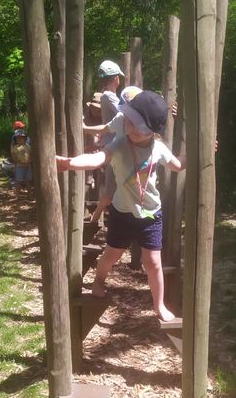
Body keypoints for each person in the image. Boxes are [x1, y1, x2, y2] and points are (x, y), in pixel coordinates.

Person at [57, 90, 185, 322]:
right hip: (122, 214)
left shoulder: (158, 148)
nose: (132, 128)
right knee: (111, 255)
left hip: (151, 215)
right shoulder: (119, 143)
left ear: (154, 131)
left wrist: (202, 153)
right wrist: (70, 163)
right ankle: (98, 281)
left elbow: (177, 165)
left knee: (153, 262)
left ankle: (159, 305)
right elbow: (97, 158)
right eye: (129, 121)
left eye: (139, 126)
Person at [83, 86, 143, 223]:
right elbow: (105, 128)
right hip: (119, 162)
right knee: (110, 192)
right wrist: (86, 129)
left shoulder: (145, 118)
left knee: (134, 193)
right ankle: (96, 217)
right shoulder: (120, 117)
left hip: (139, 163)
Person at [10, 126, 32, 199]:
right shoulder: (15, 147)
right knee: (18, 181)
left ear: (24, 139)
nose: (20, 139)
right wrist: (16, 162)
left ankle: (29, 195)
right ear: (16, 139)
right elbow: (13, 156)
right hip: (19, 166)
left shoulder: (28, 146)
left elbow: (31, 154)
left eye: (22, 138)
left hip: (28, 166)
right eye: (18, 138)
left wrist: (29, 161)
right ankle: (17, 196)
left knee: (28, 181)